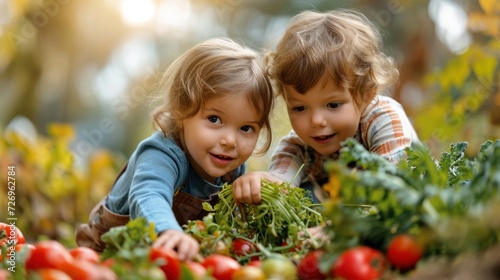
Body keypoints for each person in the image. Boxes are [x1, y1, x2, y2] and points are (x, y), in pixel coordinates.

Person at [75, 37, 274, 261]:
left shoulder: (233, 171)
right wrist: (167, 230)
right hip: (109, 255)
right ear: (182, 111)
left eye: (246, 128)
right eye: (215, 119)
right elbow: (149, 194)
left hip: (172, 260)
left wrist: (260, 189)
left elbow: (237, 223)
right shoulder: (162, 154)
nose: (230, 140)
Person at [232, 9, 420, 206]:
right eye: (300, 108)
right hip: (345, 209)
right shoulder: (297, 147)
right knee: (303, 194)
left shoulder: (384, 120)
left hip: (401, 206)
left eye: (333, 105)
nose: (316, 121)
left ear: (366, 95)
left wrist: (336, 229)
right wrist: (268, 183)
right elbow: (282, 184)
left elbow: (395, 188)